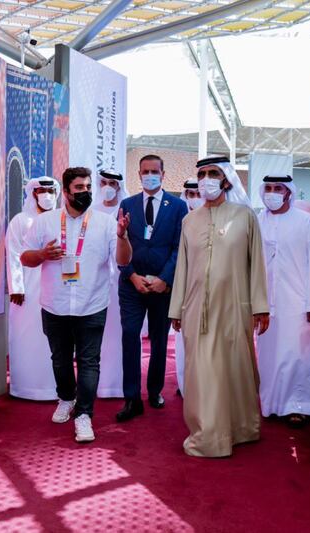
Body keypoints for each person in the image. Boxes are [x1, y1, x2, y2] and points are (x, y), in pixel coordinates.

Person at [21, 167, 132, 443]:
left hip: (92, 304)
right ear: (67, 191)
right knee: (59, 359)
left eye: (87, 187)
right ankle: (66, 398)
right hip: (54, 304)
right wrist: (42, 254)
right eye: (79, 188)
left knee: (88, 362)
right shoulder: (45, 222)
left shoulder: (106, 223)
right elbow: (25, 258)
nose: (85, 192)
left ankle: (84, 414)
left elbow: (123, 261)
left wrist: (122, 236)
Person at [169, 156, 269, 457]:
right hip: (197, 308)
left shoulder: (245, 217)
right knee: (203, 371)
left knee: (235, 367)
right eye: (202, 174)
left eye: (213, 173)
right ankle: (208, 435)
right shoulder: (189, 221)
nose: (207, 179)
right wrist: (176, 309)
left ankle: (242, 428)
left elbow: (256, 266)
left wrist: (260, 306)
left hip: (235, 308)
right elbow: (182, 268)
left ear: (226, 179)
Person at [116, 155, 188, 422]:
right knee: (130, 335)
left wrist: (165, 279)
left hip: (162, 288)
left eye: (154, 171)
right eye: (145, 171)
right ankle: (131, 398)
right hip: (131, 285)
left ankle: (155, 391)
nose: (149, 175)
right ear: (138, 174)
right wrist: (132, 275)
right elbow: (121, 246)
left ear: (163, 173)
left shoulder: (178, 206)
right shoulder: (127, 204)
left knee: (159, 341)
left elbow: (178, 248)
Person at [256, 175, 310, 428]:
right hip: (265, 303)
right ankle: (272, 404)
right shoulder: (257, 221)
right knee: (269, 356)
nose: (272, 193)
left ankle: (299, 405)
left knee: (297, 354)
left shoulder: (305, 222)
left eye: (278, 188)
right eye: (269, 188)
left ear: (288, 193)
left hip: (297, 302)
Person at [5, 177, 60, 400]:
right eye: (41, 190)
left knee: (53, 340)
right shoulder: (21, 220)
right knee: (26, 336)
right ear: (33, 193)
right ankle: (25, 387)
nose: (46, 195)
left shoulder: (59, 220)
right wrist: (16, 287)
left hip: (55, 286)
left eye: (50, 190)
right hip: (27, 289)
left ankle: (54, 388)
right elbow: (14, 253)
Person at [92, 169, 126, 398]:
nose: (107, 186)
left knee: (117, 334)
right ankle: (94, 385)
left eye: (112, 182)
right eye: (103, 182)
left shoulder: (125, 211)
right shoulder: (91, 211)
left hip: (121, 284)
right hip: (94, 284)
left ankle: (116, 385)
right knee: (95, 337)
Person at [174, 178, 203, 395]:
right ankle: (186, 387)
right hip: (185, 289)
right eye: (189, 194)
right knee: (184, 342)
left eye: (197, 194)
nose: (194, 198)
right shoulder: (182, 220)